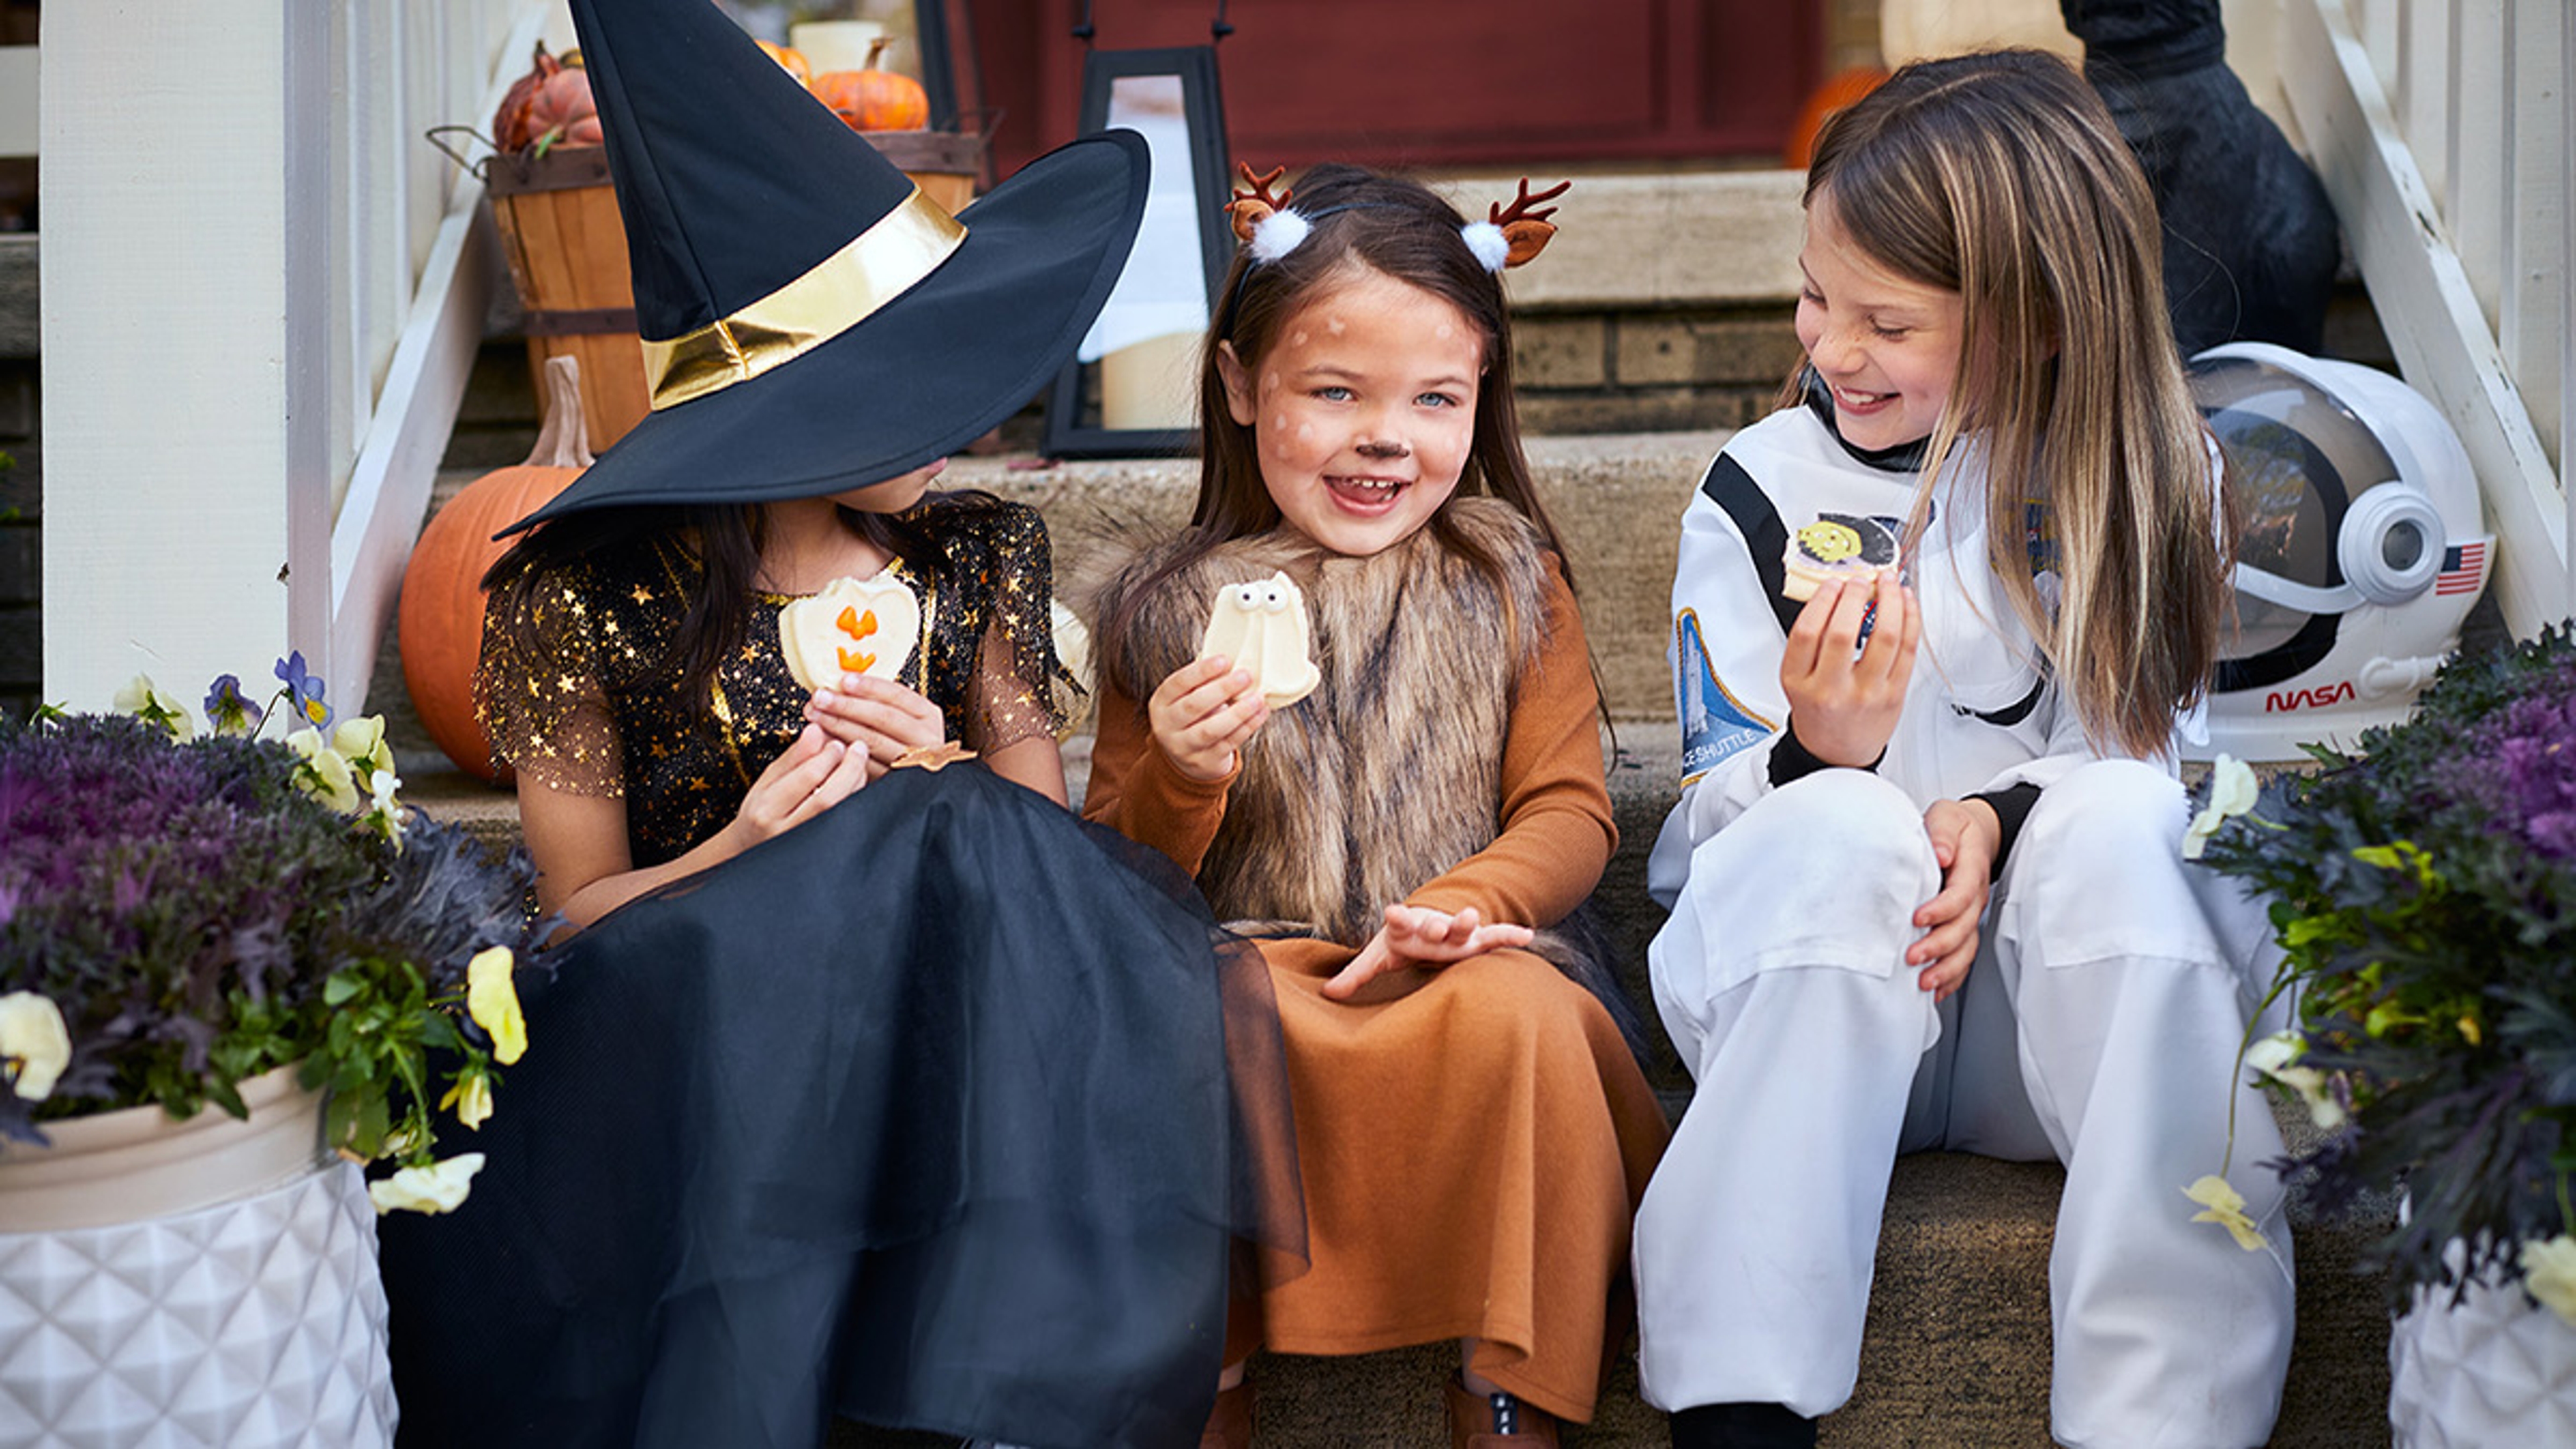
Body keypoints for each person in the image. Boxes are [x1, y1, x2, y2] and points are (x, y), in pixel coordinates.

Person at [373, 0, 1299, 1444]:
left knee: (963, 826)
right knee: (927, 836)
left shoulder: (968, 557)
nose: (966, 411)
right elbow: (575, 927)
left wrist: (934, 775)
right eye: (908, 377)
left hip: (933, 1022)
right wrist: (750, 838)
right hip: (689, 1024)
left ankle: (1015, 1392)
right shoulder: (579, 597)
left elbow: (1045, 881)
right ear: (787, 399)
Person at [1635, 50, 2294, 1449]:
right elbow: (1702, 832)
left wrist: (2001, 813)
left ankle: (2162, 1417)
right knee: (1849, 829)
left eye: (1888, 321)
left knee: (2120, 824)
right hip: (1798, 994)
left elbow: (2148, 764)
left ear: (2039, 320)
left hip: (2024, 1022)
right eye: (1817, 297)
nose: (1830, 346)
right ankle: (1740, 1408)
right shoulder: (1760, 488)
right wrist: (1817, 753)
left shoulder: (2153, 473)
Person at [1077, 164, 1670, 1449]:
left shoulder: (1511, 584)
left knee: (1523, 1022)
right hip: (1258, 974)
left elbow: (1571, 813)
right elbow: (1113, 878)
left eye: (1434, 399)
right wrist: (1181, 775)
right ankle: (1204, 1393)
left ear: (1482, 400)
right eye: (1334, 392)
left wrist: (1465, 908)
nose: (1385, 436)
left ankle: (1503, 1391)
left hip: (1466, 971)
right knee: (1174, 1028)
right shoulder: (1163, 614)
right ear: (1240, 387)